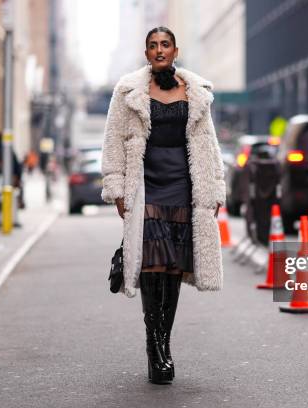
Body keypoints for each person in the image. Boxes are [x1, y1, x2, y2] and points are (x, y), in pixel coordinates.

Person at [101, 26, 226, 384]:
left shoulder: (197, 92)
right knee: (152, 268)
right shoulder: (128, 91)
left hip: (184, 188)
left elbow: (209, 144)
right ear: (146, 53)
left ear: (175, 51)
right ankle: (154, 346)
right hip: (146, 187)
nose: (159, 50)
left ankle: (163, 342)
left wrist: (213, 190)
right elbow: (113, 140)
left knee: (172, 270)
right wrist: (117, 187)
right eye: (153, 46)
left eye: (165, 45)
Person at [0, 132, 25, 210]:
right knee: (9, 194)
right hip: (8, 178)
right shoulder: (9, 151)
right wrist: (18, 176)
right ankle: (9, 210)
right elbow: (16, 165)